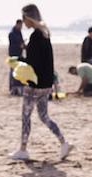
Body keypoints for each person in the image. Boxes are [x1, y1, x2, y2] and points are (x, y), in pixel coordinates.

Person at [9, 5, 71, 163]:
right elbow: (47, 61)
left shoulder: (36, 36)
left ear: (29, 18)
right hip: (46, 83)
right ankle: (64, 143)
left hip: (35, 84)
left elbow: (33, 63)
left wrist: (17, 62)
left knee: (26, 116)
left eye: (24, 18)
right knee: (44, 116)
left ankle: (23, 150)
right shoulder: (45, 33)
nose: (23, 22)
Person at [8, 19, 26, 94]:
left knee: (18, 70)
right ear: (17, 24)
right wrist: (20, 45)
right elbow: (14, 43)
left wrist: (23, 45)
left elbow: (21, 41)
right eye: (20, 25)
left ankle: (16, 87)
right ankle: (12, 87)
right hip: (13, 54)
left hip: (19, 54)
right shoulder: (12, 33)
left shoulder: (19, 32)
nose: (21, 27)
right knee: (13, 71)